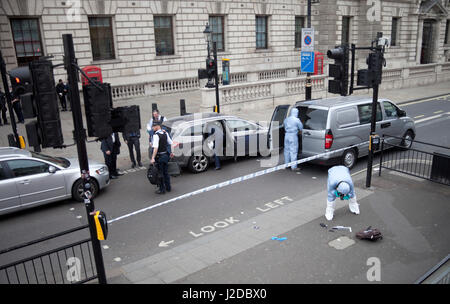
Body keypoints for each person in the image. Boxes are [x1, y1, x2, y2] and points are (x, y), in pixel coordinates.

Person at [150, 121, 174, 194]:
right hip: (166, 156)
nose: (152, 128)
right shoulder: (165, 133)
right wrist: (172, 152)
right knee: (166, 172)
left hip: (159, 157)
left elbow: (156, 148)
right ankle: (168, 187)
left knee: (160, 173)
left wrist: (153, 158)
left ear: (157, 126)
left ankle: (162, 189)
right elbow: (171, 143)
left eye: (153, 126)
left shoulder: (156, 135)